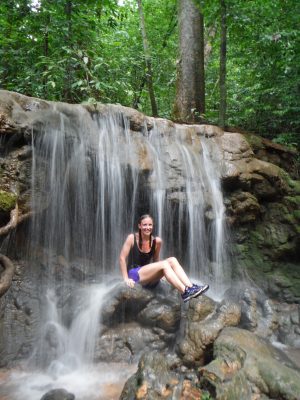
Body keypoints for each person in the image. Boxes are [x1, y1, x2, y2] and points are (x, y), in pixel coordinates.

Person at [119, 214, 209, 302]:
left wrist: (164, 272)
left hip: (148, 276)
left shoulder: (157, 241)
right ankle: (184, 291)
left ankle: (190, 286)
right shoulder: (132, 238)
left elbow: (156, 260)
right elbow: (122, 258)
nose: (148, 227)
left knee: (172, 260)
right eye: (145, 225)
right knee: (165, 264)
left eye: (150, 225)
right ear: (139, 226)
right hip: (134, 274)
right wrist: (126, 279)